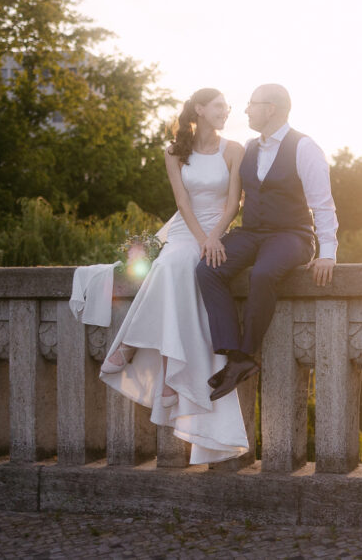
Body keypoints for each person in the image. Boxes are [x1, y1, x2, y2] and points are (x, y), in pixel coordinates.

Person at [99, 88, 248, 464]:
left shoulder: (234, 149)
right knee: (169, 265)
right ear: (200, 109)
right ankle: (145, 356)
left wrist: (213, 238)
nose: (225, 111)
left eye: (227, 107)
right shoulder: (174, 152)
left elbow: (234, 202)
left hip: (217, 228)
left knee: (180, 268)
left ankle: (149, 360)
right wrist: (200, 239)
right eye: (219, 106)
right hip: (186, 229)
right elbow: (182, 201)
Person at [197, 83, 338, 401]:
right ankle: (232, 351)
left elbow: (323, 204)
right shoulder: (249, 147)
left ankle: (245, 355)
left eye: (252, 104)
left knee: (262, 274)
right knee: (207, 269)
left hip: (292, 234)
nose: (246, 110)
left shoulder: (304, 147)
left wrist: (328, 252)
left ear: (270, 109)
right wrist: (213, 235)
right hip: (251, 233)